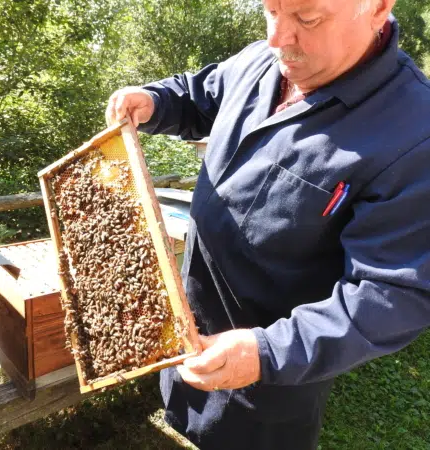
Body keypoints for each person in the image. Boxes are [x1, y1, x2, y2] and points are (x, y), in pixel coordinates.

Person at [105, 0, 430, 449]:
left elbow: (393, 295)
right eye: (271, 10)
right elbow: (202, 94)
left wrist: (265, 352)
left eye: (308, 18)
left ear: (378, 8)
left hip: (267, 393)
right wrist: (156, 100)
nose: (278, 38)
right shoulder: (263, 58)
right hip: (185, 335)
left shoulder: (416, 136)